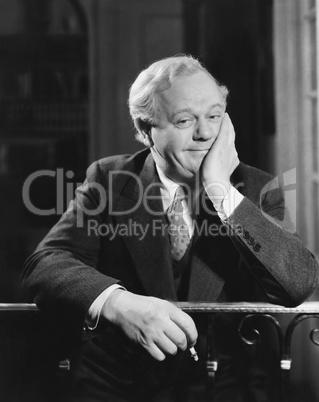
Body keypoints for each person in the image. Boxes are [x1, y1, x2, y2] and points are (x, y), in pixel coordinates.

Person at [23, 55, 319, 402]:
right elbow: (43, 265)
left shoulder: (256, 188)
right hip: (118, 388)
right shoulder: (109, 178)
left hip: (221, 388)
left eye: (214, 115)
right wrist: (119, 304)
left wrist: (221, 189)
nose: (205, 132)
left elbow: (297, 285)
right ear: (146, 130)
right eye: (184, 120)